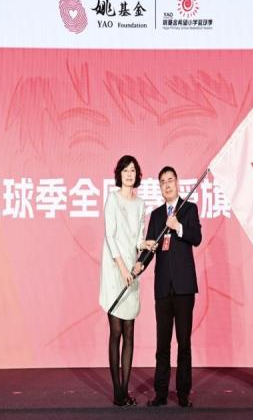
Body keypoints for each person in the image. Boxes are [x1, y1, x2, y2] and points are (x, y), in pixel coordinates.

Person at [141, 166, 202, 408]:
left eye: (170, 180)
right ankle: (160, 393)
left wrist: (178, 226)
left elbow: (196, 238)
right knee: (162, 345)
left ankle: (184, 393)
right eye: (163, 182)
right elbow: (150, 248)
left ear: (177, 183)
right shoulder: (156, 215)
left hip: (184, 287)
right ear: (160, 187)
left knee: (184, 344)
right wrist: (139, 265)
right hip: (163, 288)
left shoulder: (189, 209)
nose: (167, 185)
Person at [99, 155, 147, 407]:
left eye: (133, 171)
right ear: (119, 174)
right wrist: (121, 269)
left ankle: (125, 390)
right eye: (126, 170)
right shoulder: (112, 199)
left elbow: (138, 238)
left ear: (137, 175)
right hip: (114, 268)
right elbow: (110, 236)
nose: (129, 174)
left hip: (131, 269)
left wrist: (145, 246)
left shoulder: (140, 204)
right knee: (116, 331)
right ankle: (117, 391)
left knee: (129, 331)